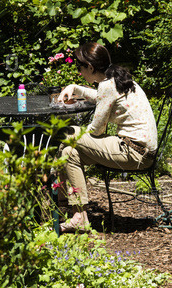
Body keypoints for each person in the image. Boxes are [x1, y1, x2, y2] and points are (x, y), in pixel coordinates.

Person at [57, 42, 158, 232]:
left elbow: (96, 130)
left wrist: (76, 134)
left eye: (80, 68)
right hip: (141, 152)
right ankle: (79, 216)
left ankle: (60, 199)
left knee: (67, 133)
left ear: (91, 67)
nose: (79, 72)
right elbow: (100, 97)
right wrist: (75, 88)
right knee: (70, 151)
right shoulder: (118, 78)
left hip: (133, 153)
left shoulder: (108, 86)